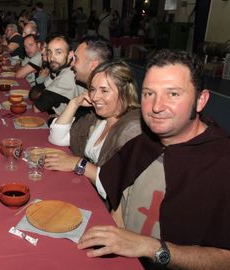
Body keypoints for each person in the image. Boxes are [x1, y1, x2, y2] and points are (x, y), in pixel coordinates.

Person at [78, 50, 230, 269]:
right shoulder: (143, 143)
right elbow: (118, 202)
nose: (157, 107)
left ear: (200, 100)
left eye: (173, 94)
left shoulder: (222, 163)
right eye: (149, 93)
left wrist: (151, 248)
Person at [46, 61, 141, 183]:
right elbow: (57, 138)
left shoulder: (133, 128)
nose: (95, 97)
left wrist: (78, 163)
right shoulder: (97, 118)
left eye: (104, 90)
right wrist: (74, 103)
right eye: (92, 89)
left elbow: (114, 182)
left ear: (125, 91)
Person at [32, 36, 84, 115]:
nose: (52, 58)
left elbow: (37, 107)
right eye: (49, 52)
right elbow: (34, 93)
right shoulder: (59, 70)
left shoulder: (68, 75)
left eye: (58, 52)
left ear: (70, 54)